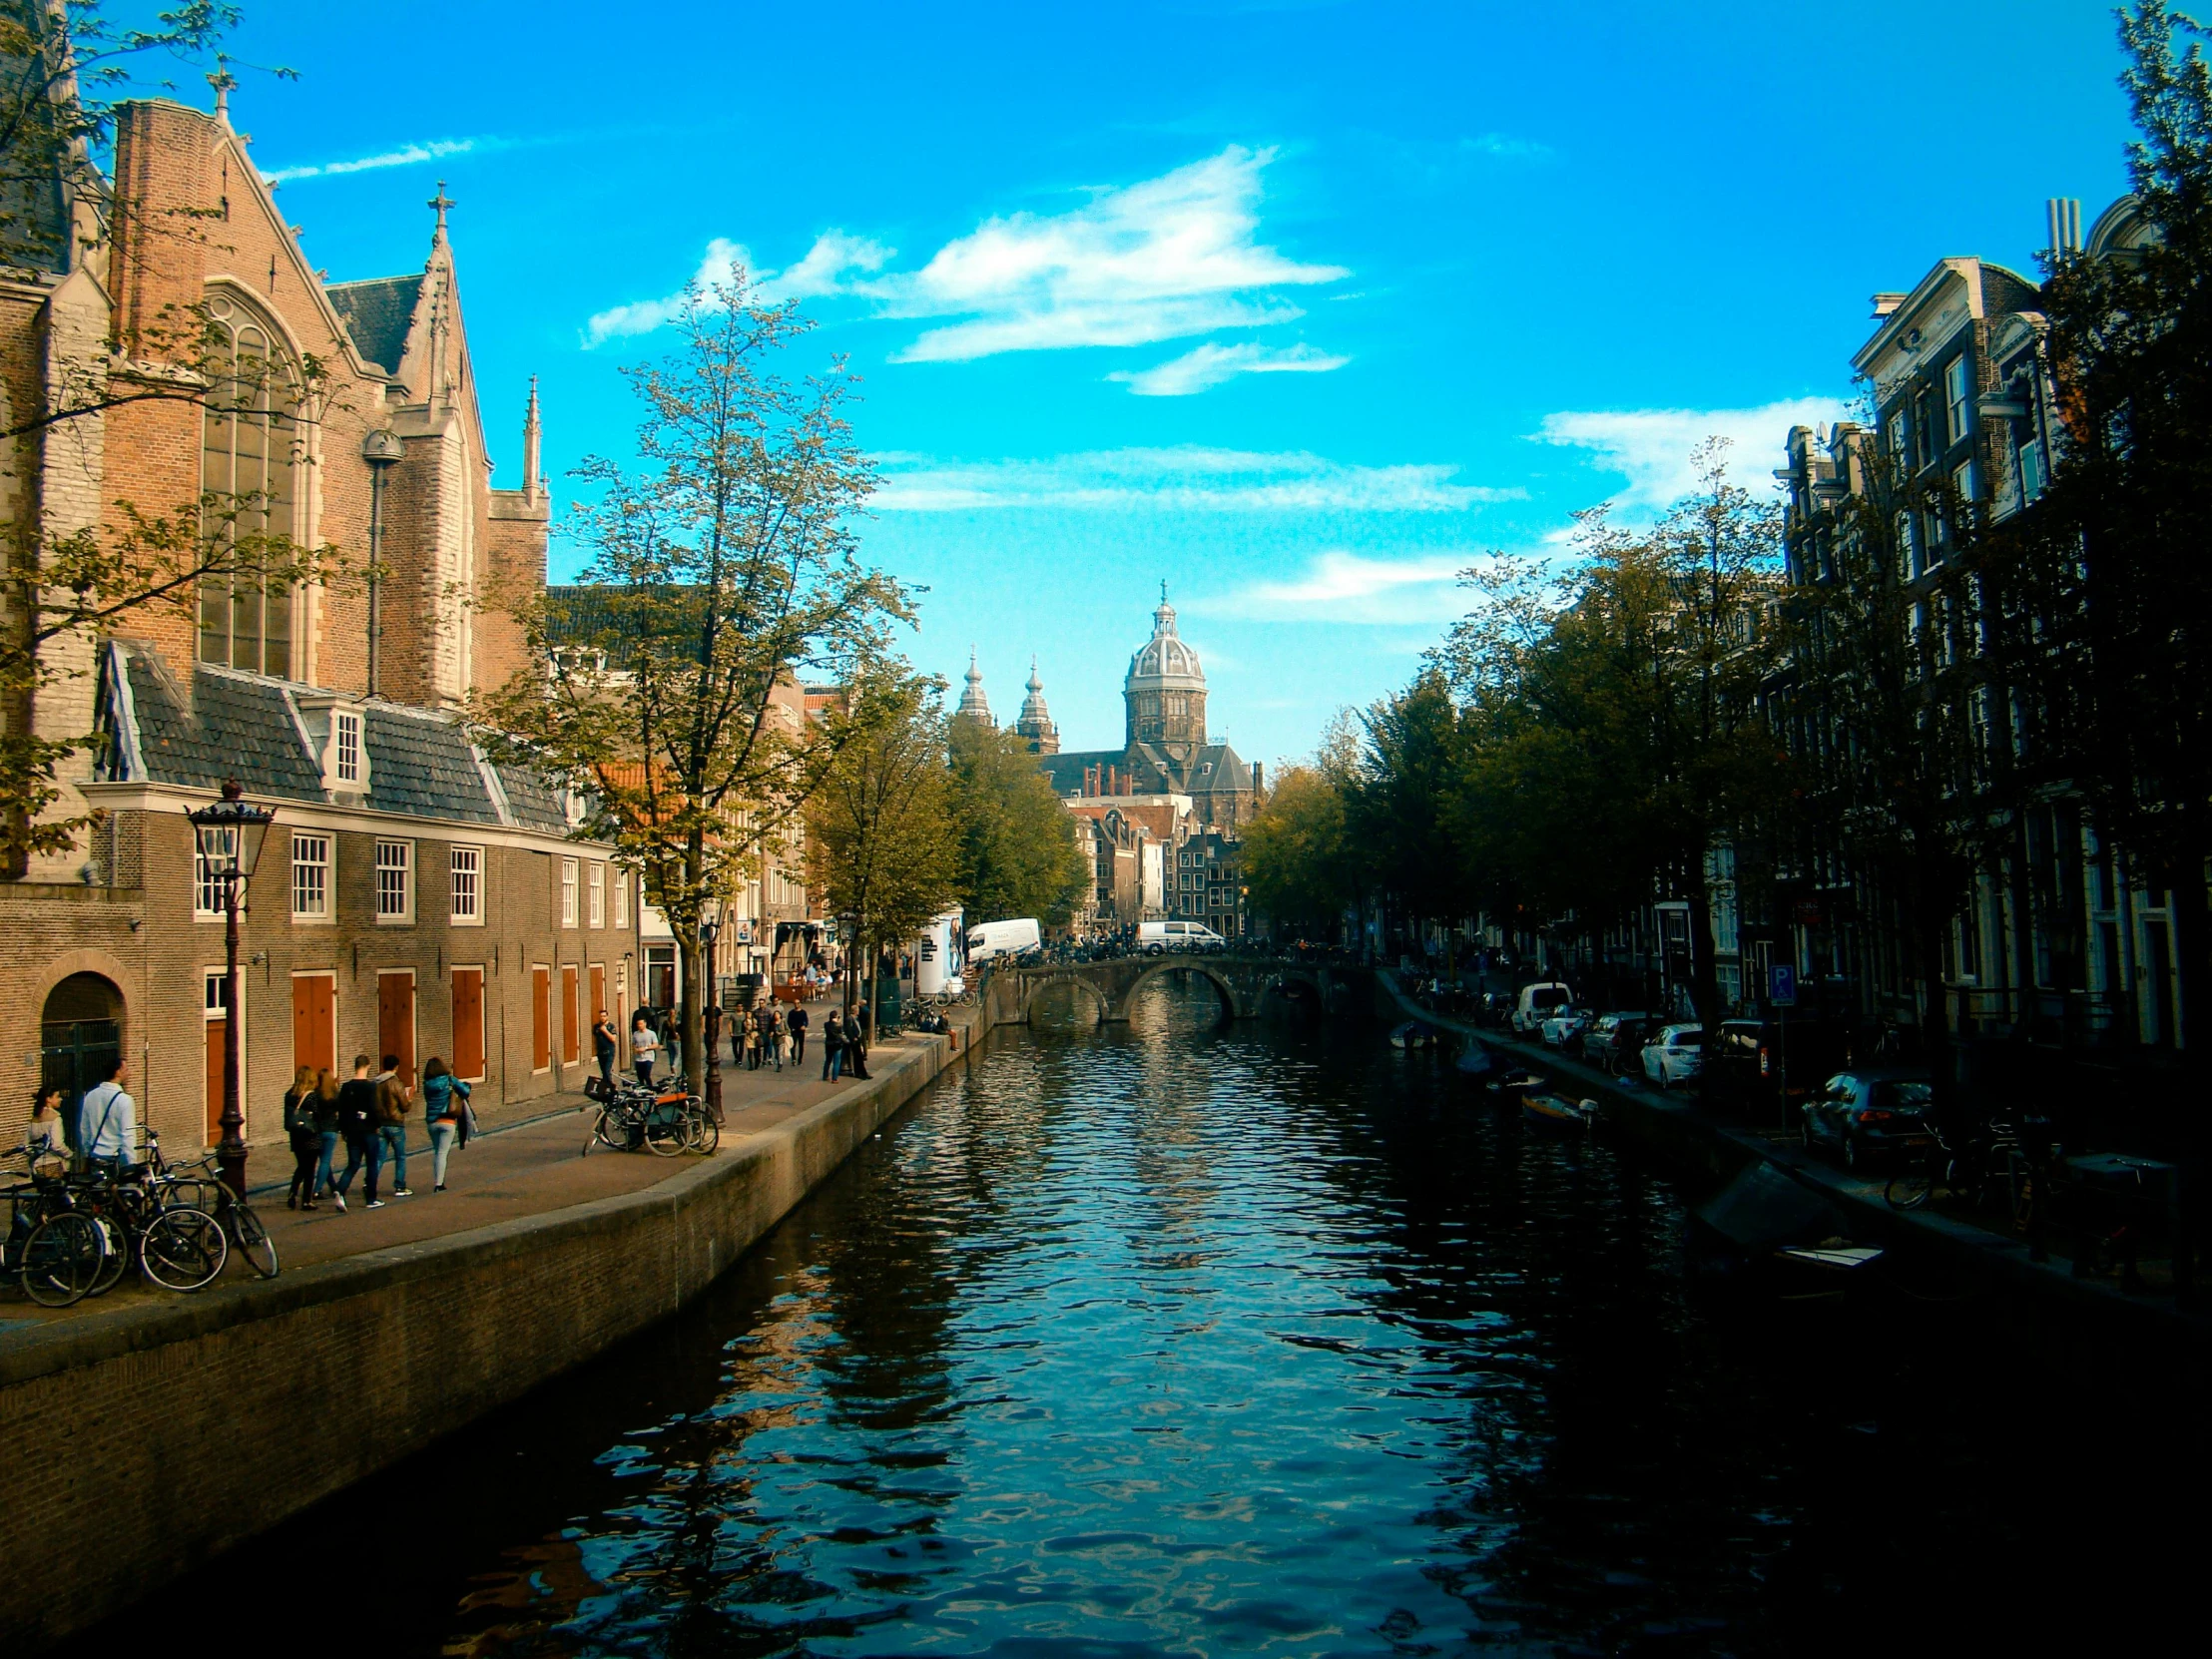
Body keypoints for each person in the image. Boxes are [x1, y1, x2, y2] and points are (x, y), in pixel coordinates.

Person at [329, 1055, 378, 1212]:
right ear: (368, 1066)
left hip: (352, 1131)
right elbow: (374, 1108)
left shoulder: (346, 1087)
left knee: (353, 1163)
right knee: (371, 1164)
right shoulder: (371, 1087)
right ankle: (371, 1198)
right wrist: (377, 1124)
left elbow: (342, 1110)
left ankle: (340, 1189)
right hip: (369, 1130)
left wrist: (344, 1130)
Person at [419, 1057, 471, 1193]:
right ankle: (439, 1184)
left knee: (437, 1152)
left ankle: (438, 1180)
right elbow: (465, 1092)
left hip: (432, 1122)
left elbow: (428, 1100)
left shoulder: (427, 1084)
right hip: (447, 1121)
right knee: (442, 1153)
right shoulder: (450, 1080)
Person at [78, 1056, 136, 1177]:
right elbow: (128, 1133)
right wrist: (131, 1161)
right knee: (123, 1192)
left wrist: (87, 1152)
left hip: (95, 1155)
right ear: (117, 1072)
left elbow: (84, 1129)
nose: (129, 1073)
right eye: (126, 1069)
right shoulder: (124, 1100)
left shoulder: (90, 1096)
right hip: (115, 1157)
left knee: (98, 1191)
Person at [371, 1054, 414, 1202]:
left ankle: (370, 1182)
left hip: (381, 1124)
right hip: (395, 1123)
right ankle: (400, 1186)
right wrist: (409, 1099)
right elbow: (405, 1106)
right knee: (400, 1156)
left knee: (379, 1157)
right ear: (396, 1067)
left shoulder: (375, 1083)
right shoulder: (396, 1083)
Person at [281, 1064, 319, 1210]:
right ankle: (306, 1201)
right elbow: (318, 1116)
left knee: (301, 1166)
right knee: (309, 1169)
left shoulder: (289, 1095)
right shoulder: (312, 1097)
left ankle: (292, 1192)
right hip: (310, 1136)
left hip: (296, 1135)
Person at [302, 1067, 339, 1211]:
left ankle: (333, 1186)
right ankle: (317, 1190)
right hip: (331, 1131)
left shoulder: (316, 1095)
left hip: (319, 1131)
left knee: (324, 1160)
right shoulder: (335, 1095)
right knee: (325, 1160)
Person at [25, 1085, 69, 1167]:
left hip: (36, 1166)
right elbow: (57, 1145)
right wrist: (69, 1154)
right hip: (53, 1164)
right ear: (48, 1099)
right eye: (58, 1097)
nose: (61, 1099)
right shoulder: (55, 1118)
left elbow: (26, 1146)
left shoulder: (34, 1119)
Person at [631, 1012, 658, 1086]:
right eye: (638, 1024)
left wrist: (645, 1048)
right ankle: (642, 1089)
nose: (639, 1026)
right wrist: (635, 1050)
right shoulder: (635, 1034)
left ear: (645, 1024)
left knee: (646, 1075)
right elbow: (633, 1044)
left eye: (641, 1024)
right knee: (640, 1077)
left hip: (648, 1057)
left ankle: (651, 1088)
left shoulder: (651, 1033)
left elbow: (656, 1045)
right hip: (639, 1058)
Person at [593, 1011, 618, 1087]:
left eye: (604, 1016)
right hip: (600, 1052)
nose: (602, 1018)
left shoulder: (611, 1026)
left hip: (609, 1051)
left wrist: (605, 1031)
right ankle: (605, 1087)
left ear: (607, 1017)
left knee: (607, 1070)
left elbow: (613, 1039)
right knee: (604, 1071)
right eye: (601, 1016)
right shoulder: (596, 1027)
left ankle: (611, 1087)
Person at [821, 1009, 844, 1082]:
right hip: (837, 1045)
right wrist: (839, 1021)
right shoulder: (839, 1025)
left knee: (828, 1060)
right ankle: (834, 1078)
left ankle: (825, 1075)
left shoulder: (826, 1024)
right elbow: (840, 1032)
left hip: (828, 1044)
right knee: (836, 1062)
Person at [788, 1000, 809, 1067]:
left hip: (801, 1031)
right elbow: (789, 1021)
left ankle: (800, 1060)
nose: (796, 1004)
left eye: (797, 1003)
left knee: (801, 1046)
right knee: (792, 1045)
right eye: (795, 1003)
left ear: (800, 1004)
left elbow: (806, 1020)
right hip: (794, 1031)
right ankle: (793, 1059)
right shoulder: (791, 1013)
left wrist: (804, 1026)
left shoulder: (803, 1012)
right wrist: (791, 1027)